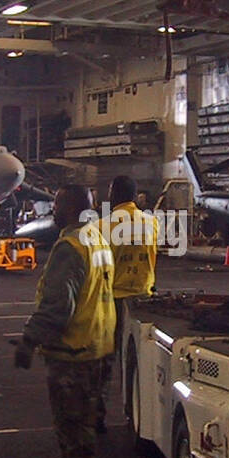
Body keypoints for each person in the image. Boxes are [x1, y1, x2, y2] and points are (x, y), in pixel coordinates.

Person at [16, 185, 116, 458]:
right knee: (76, 420)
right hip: (98, 343)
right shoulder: (96, 238)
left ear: (71, 207)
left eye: (57, 204)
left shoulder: (70, 246)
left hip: (74, 350)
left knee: (74, 424)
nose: (53, 210)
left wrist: (29, 340)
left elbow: (59, 305)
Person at [97, 176, 158, 432]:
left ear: (114, 194)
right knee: (139, 363)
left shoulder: (103, 225)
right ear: (135, 196)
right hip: (144, 300)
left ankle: (98, 416)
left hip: (113, 299)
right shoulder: (152, 223)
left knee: (104, 361)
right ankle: (139, 417)